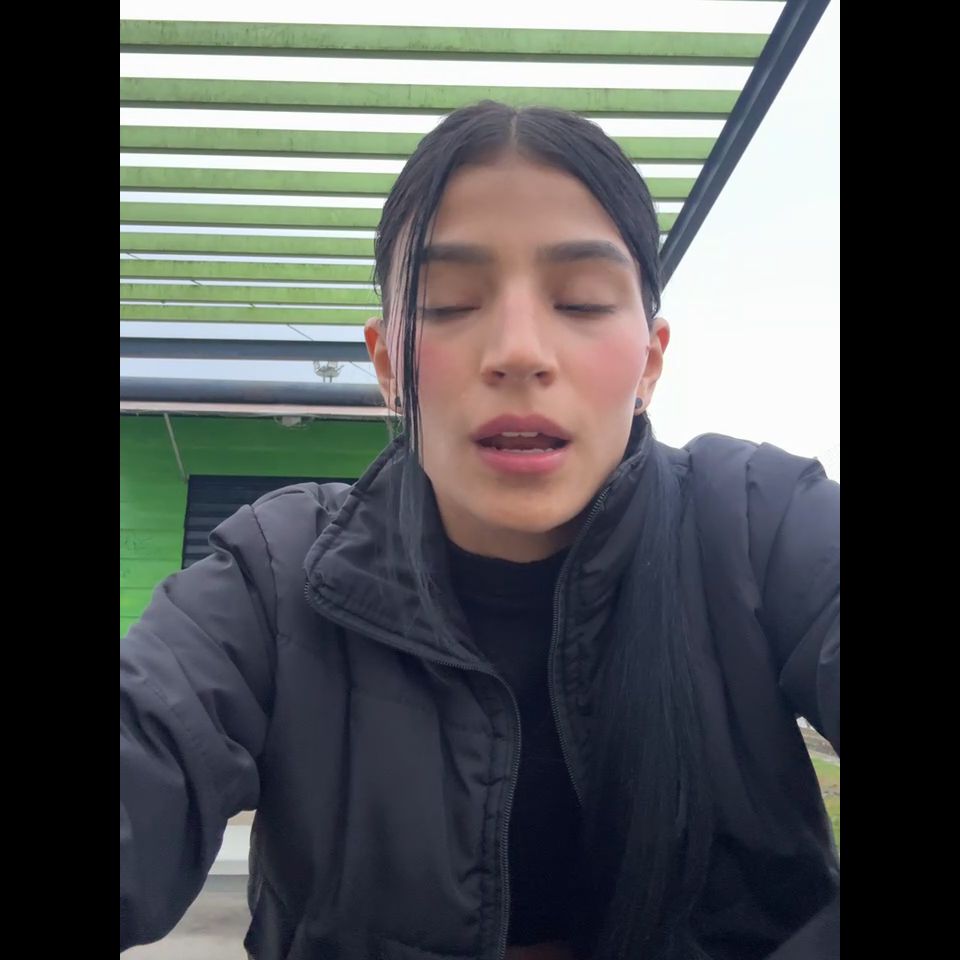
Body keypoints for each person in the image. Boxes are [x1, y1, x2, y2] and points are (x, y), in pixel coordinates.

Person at [120, 101, 840, 960]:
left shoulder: (763, 523)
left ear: (650, 360)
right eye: (451, 303)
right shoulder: (273, 574)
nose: (519, 351)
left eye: (580, 300)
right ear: (387, 365)